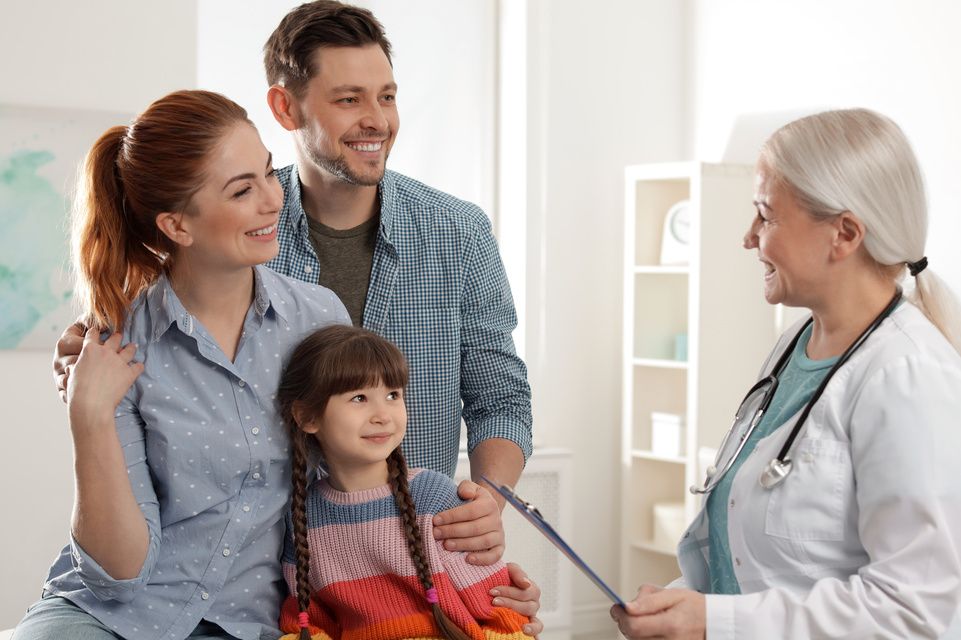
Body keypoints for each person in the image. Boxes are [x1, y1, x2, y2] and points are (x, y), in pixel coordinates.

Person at [15, 90, 536, 640]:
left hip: (255, 622)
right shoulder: (115, 344)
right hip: (111, 617)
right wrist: (88, 415)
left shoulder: (316, 316)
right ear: (177, 226)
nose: (272, 200)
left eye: (267, 174)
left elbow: (358, 480)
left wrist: (471, 584)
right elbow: (118, 576)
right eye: (243, 190)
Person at [612, 109, 961, 639]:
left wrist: (714, 623)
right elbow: (754, 562)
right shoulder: (793, 344)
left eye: (766, 216)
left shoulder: (906, 374)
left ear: (843, 233)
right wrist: (682, 606)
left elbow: (912, 612)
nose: (749, 238)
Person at [274, 324, 529, 640]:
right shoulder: (302, 519)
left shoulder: (435, 499)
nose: (383, 414)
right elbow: (307, 624)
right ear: (307, 417)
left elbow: (502, 616)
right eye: (359, 398)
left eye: (393, 394)